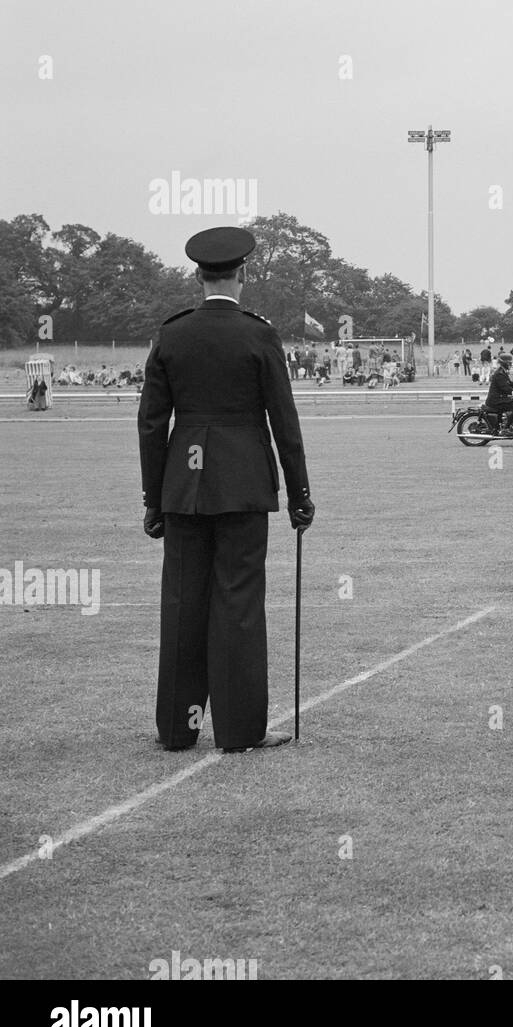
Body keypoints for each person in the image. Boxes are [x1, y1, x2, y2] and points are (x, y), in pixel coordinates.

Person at [138, 226, 313, 754]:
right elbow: (284, 419)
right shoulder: (259, 335)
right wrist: (300, 492)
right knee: (237, 604)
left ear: (197, 276)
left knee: (182, 600)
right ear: (243, 274)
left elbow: (151, 424)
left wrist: (153, 499)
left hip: (184, 490)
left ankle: (176, 728)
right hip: (242, 486)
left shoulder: (172, 334)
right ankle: (237, 731)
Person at [483, 351, 513, 431]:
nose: (510, 365)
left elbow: (511, 384)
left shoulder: (503, 372)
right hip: (496, 401)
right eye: (509, 363)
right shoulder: (499, 374)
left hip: (500, 399)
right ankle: (506, 427)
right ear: (504, 363)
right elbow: (506, 388)